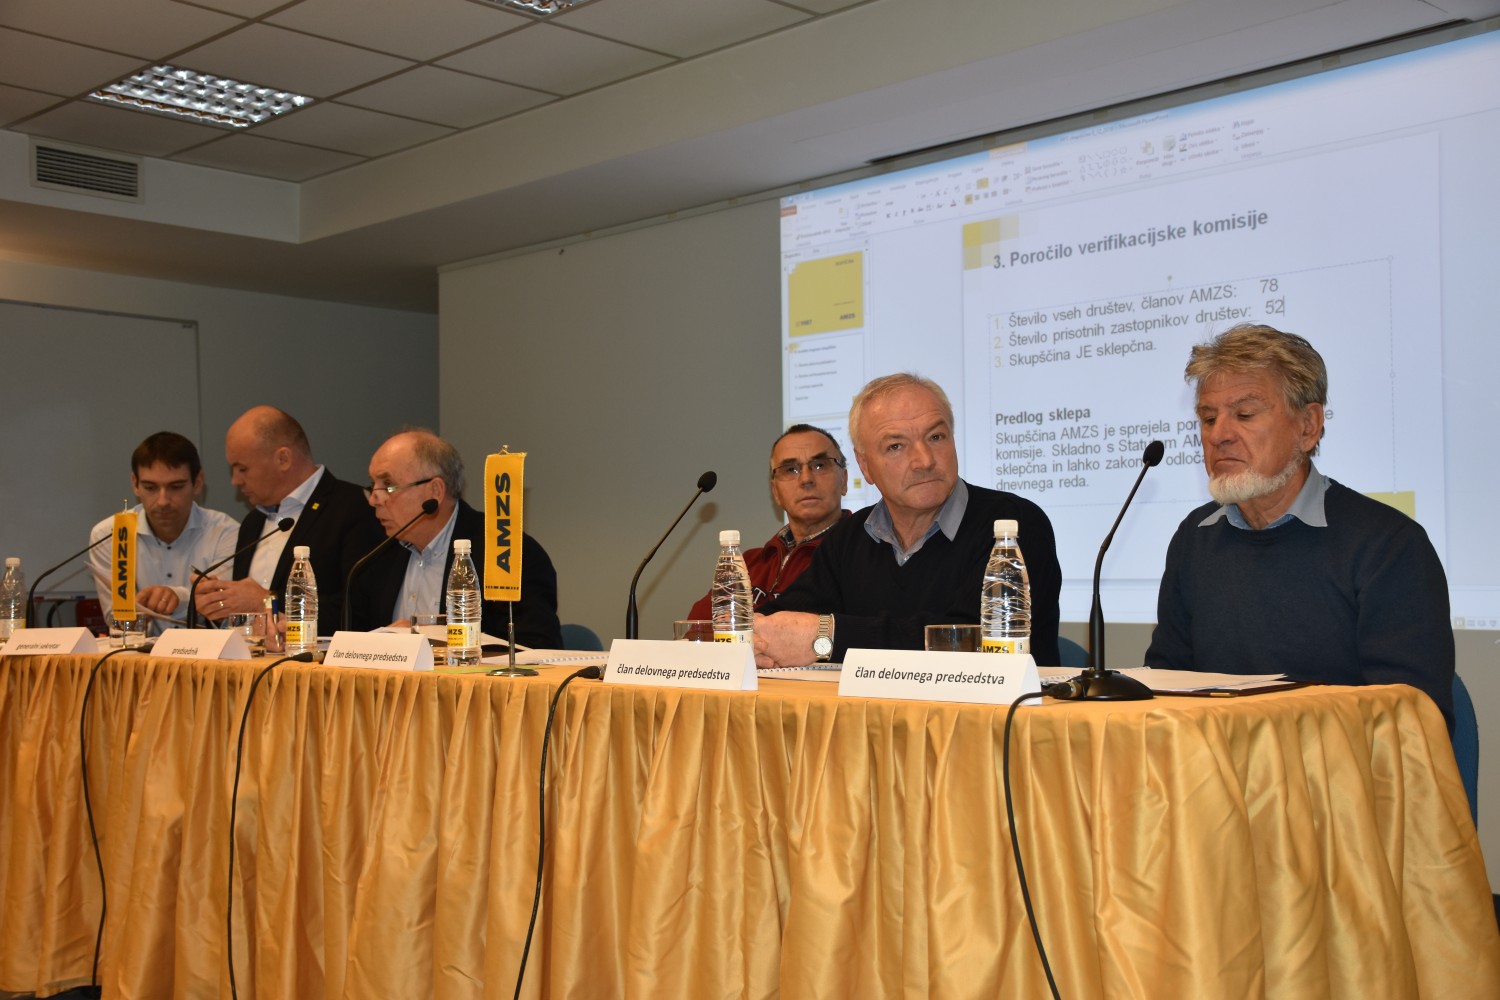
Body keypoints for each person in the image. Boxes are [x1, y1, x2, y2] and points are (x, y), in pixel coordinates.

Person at [1144, 324, 1454, 728]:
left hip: (1332, 767)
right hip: (1210, 763)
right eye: (1208, 418)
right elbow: (1166, 686)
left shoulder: (1388, 546)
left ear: (1308, 426)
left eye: (1244, 414)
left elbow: (1411, 721)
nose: (1218, 435)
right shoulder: (1195, 538)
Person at [754, 373, 1061, 668]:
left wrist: (827, 637)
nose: (924, 461)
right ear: (865, 466)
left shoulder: (1012, 527)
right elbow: (780, 621)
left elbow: (970, 642)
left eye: (936, 437)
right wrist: (758, 638)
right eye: (896, 446)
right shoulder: (848, 538)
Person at [345, 429, 563, 649]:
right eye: (373, 485)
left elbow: (538, 648)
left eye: (388, 485)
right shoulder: (376, 557)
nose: (374, 499)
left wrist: (434, 639)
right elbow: (351, 644)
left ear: (435, 491)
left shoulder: (505, 553)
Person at [193, 406, 382, 636]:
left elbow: (361, 610)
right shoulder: (253, 523)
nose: (235, 481)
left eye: (242, 469)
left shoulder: (354, 507)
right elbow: (246, 620)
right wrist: (221, 606)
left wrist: (267, 601)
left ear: (283, 459)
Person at [687, 424, 851, 621]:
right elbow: (697, 627)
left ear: (844, 480)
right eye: (791, 469)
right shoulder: (748, 563)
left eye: (819, 465)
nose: (806, 479)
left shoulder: (861, 556)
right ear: (776, 492)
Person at [88, 432, 240, 633]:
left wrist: (178, 597)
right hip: (139, 651)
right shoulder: (109, 535)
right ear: (135, 484)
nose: (162, 501)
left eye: (176, 487)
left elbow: (220, 606)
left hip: (206, 651)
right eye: (150, 487)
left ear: (197, 483)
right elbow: (117, 620)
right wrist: (131, 616)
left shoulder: (226, 533)